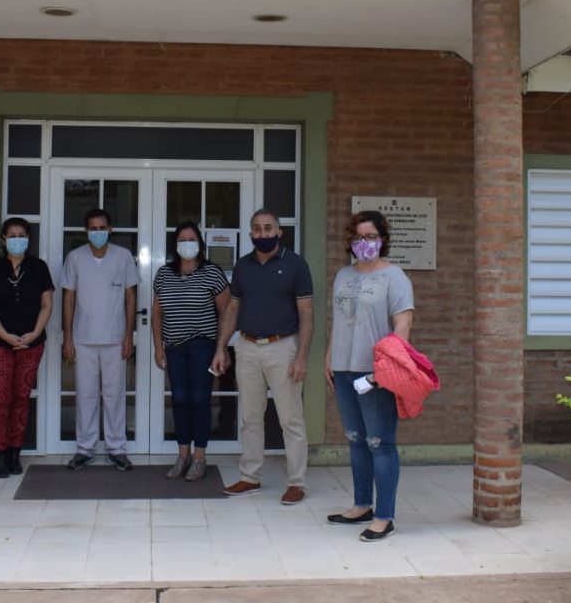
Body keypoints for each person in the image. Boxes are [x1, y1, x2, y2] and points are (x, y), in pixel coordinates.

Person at [212, 208, 314, 505]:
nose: (263, 234)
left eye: (269, 228)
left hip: (283, 348)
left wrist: (302, 357)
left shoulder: (296, 265)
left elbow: (307, 313)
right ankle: (250, 476)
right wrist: (222, 347)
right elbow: (233, 308)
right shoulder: (243, 265)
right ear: (250, 233)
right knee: (251, 417)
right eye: (257, 229)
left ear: (279, 232)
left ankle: (297, 482)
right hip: (246, 346)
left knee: (290, 419)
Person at [325, 210, 414, 542]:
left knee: (380, 443)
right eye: (358, 237)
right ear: (350, 241)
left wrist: (385, 368)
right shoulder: (342, 275)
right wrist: (329, 357)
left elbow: (403, 327)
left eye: (371, 237)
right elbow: (339, 320)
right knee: (356, 440)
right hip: (343, 370)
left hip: (375, 373)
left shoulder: (396, 278)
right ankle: (362, 504)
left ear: (383, 239)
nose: (365, 243)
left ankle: (384, 516)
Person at [60, 208, 140, 471]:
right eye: (93, 228)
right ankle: (85, 448)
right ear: (86, 231)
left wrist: (129, 334)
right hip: (83, 338)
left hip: (115, 337)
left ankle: (117, 448)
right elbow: (68, 298)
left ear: (110, 228)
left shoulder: (123, 256)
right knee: (85, 395)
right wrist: (68, 337)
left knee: (115, 394)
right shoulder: (75, 258)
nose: (98, 232)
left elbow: (130, 297)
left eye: (102, 227)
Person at [152, 222, 231, 482]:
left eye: (192, 239)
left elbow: (226, 313)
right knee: (180, 399)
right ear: (176, 245)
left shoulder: (212, 273)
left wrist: (222, 348)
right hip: (174, 347)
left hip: (203, 346)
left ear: (200, 243)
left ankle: (199, 457)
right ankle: (182, 454)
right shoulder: (164, 274)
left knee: (199, 398)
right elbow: (156, 314)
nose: (187, 244)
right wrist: (157, 347)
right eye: (182, 240)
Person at [0, 217, 55, 479]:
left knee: (22, 397)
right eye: (12, 235)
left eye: (22, 235)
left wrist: (33, 333)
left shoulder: (39, 267)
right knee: (0, 398)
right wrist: (6, 336)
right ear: (3, 239)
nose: (17, 239)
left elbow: (46, 304)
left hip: (32, 343)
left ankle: (14, 453)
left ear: (28, 238)